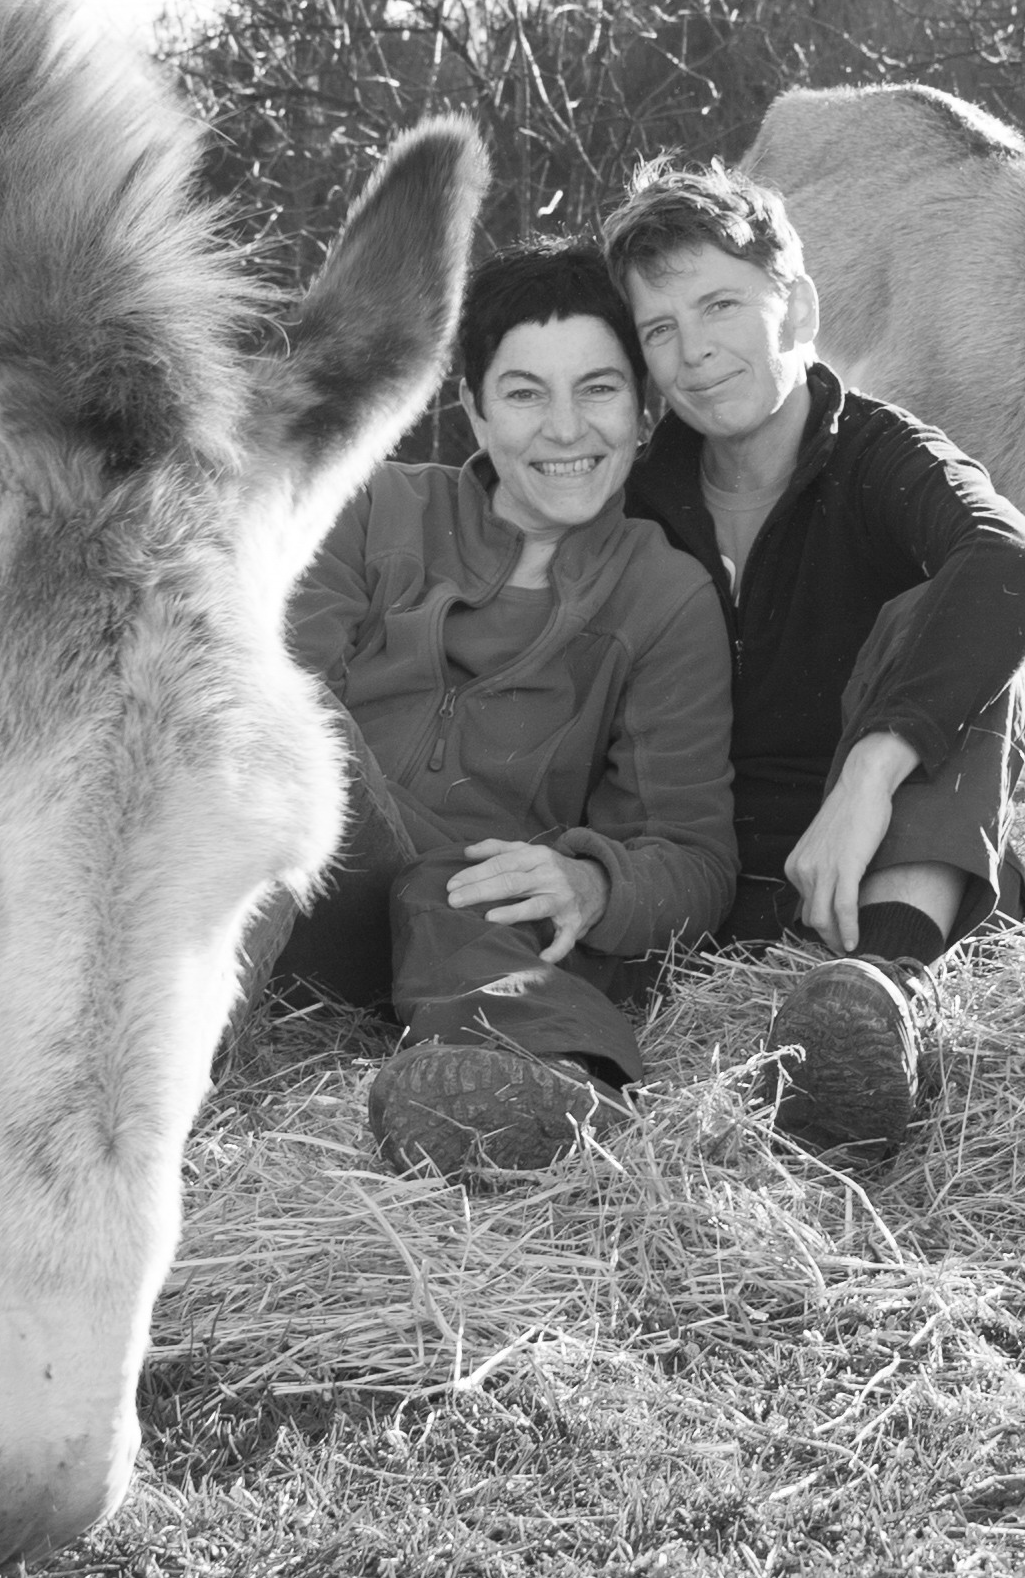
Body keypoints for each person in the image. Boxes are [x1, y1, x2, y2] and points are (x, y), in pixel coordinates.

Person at [600, 156, 1025, 1151]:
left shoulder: (880, 455)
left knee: (959, 604)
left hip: (882, 856)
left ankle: (882, 995)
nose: (694, 350)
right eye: (658, 329)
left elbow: (1016, 562)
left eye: (720, 305)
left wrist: (867, 777)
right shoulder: (635, 492)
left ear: (796, 305)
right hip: (704, 875)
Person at [275, 241, 736, 1182]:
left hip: (467, 924)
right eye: (525, 394)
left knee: (446, 888)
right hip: (308, 874)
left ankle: (550, 1085)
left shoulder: (665, 597)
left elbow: (693, 857)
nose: (565, 429)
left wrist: (593, 883)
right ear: (475, 410)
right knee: (293, 737)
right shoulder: (373, 509)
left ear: (644, 411)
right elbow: (269, 695)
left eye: (597, 390)